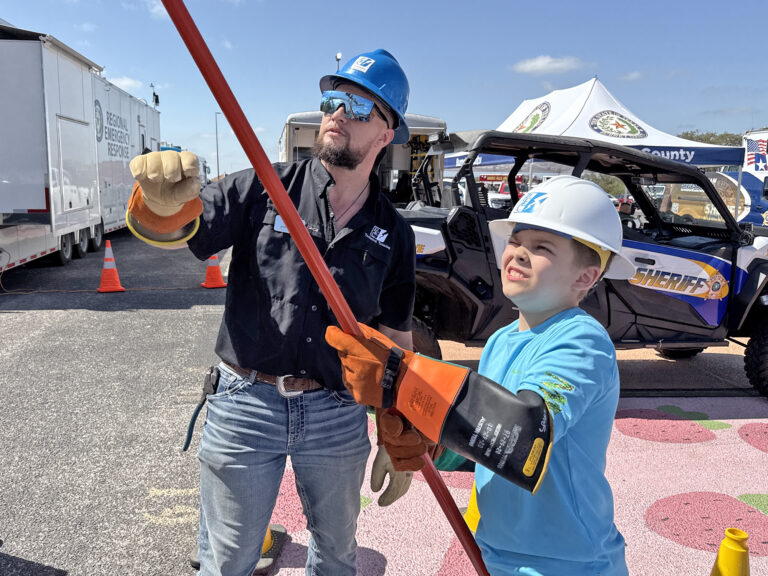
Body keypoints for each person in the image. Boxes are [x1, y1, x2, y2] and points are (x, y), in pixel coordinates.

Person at [126, 49, 417, 576]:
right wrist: (160, 204)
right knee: (228, 561)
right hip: (245, 404)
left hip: (336, 413)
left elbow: (397, 339)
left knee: (336, 557)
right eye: (332, 100)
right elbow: (185, 227)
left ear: (386, 133)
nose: (337, 113)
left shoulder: (394, 233)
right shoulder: (264, 187)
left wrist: (400, 430)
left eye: (358, 106)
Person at [326, 175, 636, 575]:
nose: (518, 254)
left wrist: (400, 379)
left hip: (569, 562)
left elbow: (524, 436)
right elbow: (486, 444)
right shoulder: (500, 342)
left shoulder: (582, 340)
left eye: (541, 247)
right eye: (516, 241)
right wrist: (433, 443)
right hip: (497, 553)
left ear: (586, 277)